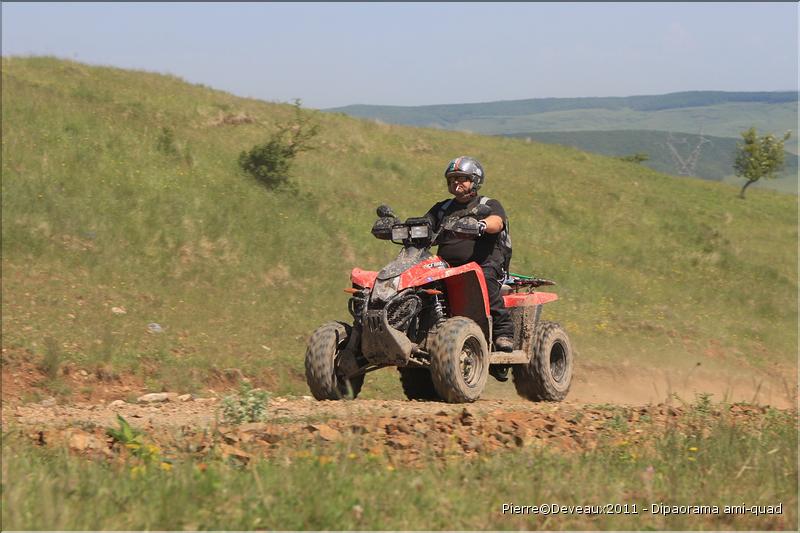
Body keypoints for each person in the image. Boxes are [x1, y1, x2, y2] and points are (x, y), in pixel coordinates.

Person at [425, 156, 515, 369]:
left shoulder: (487, 204)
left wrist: (481, 225)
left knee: (483, 279)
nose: (457, 182)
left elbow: (497, 222)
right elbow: (424, 224)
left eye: (462, 178)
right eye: (453, 178)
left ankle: (504, 332)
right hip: (445, 266)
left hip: (484, 262)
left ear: (475, 180)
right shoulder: (442, 208)